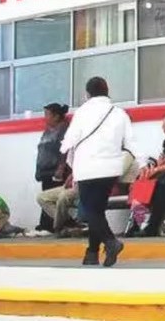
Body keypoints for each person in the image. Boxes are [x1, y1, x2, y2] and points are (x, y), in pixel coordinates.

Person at [61, 76, 134, 267]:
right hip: (111, 168)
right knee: (97, 211)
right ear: (107, 91)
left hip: (87, 168)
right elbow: (130, 142)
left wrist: (63, 154)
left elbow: (69, 141)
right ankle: (91, 253)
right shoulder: (119, 113)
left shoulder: (82, 112)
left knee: (89, 211)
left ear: (87, 94)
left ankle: (111, 242)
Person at [35, 103, 70, 233]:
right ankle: (47, 224)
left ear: (56, 116)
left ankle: (54, 225)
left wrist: (61, 167)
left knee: (53, 198)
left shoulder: (64, 130)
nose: (45, 118)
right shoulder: (47, 131)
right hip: (45, 170)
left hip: (56, 170)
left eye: (47, 114)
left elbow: (65, 150)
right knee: (45, 195)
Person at [36, 172, 79, 236]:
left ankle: (58, 228)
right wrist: (71, 177)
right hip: (71, 184)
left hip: (82, 186)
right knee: (41, 197)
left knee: (63, 197)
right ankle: (68, 222)